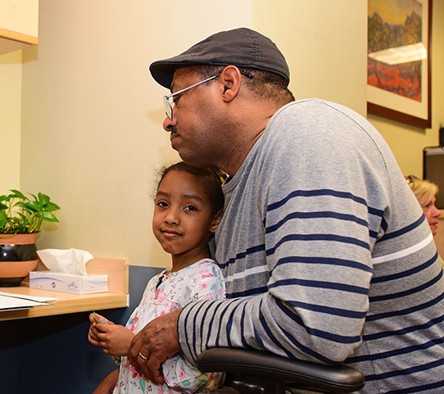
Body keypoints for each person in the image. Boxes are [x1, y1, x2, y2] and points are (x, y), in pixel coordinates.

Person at [129, 27, 444, 393]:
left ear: (228, 84)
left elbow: (316, 328)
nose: (169, 120)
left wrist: (184, 326)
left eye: (176, 100)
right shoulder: (237, 190)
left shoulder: (309, 132)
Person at [89, 162, 226, 394]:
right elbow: (136, 359)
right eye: (163, 204)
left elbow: (206, 375)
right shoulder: (157, 282)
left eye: (190, 208)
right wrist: (114, 339)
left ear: (214, 220)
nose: (171, 217)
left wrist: (131, 344)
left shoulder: (207, 280)